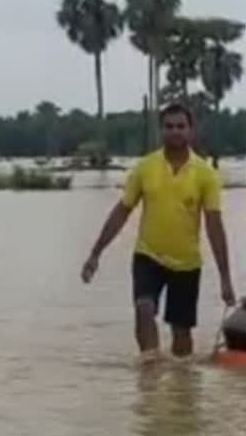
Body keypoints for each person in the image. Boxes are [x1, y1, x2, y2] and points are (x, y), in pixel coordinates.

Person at [81, 103, 236, 359]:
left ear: (191, 131)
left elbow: (214, 226)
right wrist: (95, 253)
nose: (175, 132)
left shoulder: (206, 174)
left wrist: (225, 278)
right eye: (169, 126)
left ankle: (181, 388)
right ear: (161, 130)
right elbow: (122, 211)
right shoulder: (145, 167)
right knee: (143, 308)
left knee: (182, 338)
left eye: (180, 126)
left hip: (187, 263)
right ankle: (149, 373)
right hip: (148, 255)